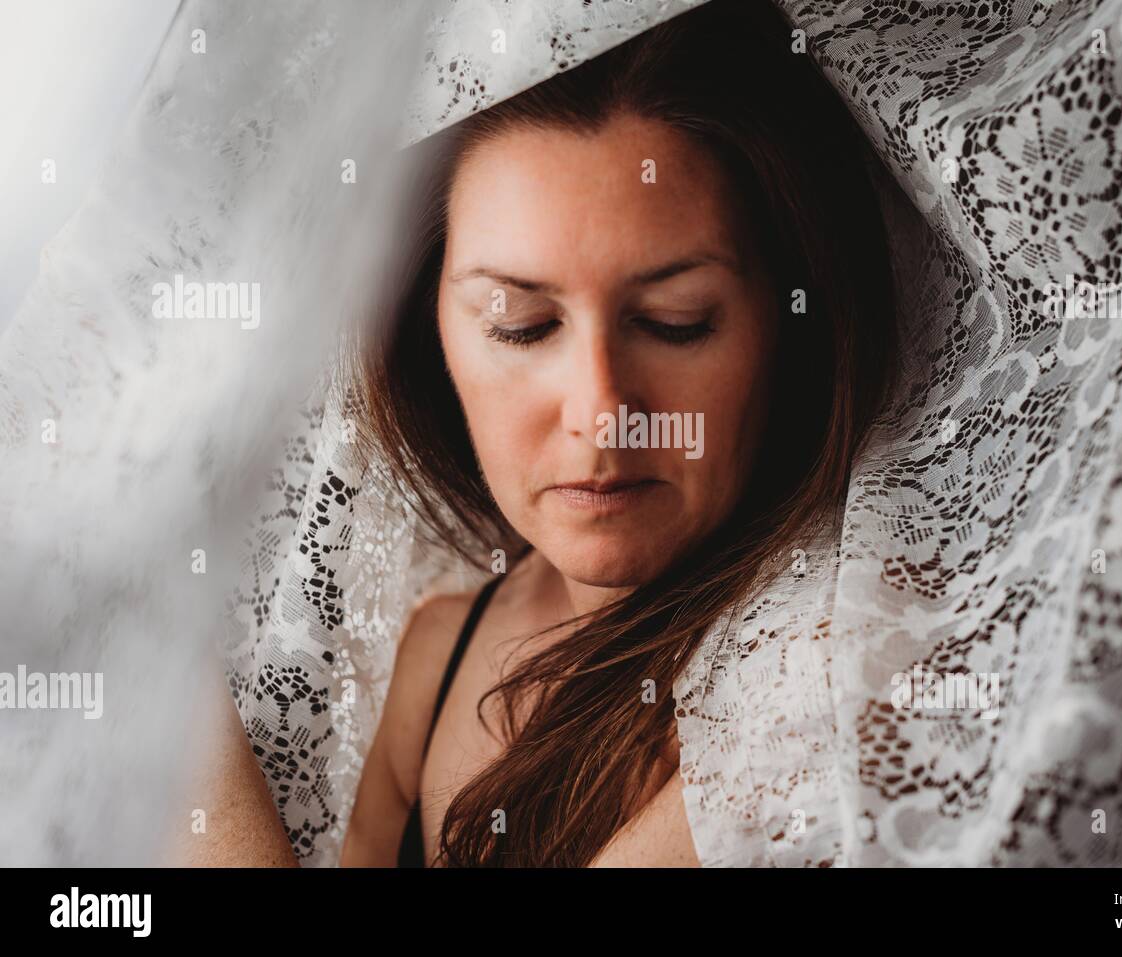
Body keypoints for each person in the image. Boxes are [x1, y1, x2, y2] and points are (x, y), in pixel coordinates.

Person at [184, 0, 899, 868]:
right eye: (519, 324)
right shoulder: (437, 649)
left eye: (676, 322)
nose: (601, 412)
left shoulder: (832, 671)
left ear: (791, 318)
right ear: (428, 329)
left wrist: (168, 712)